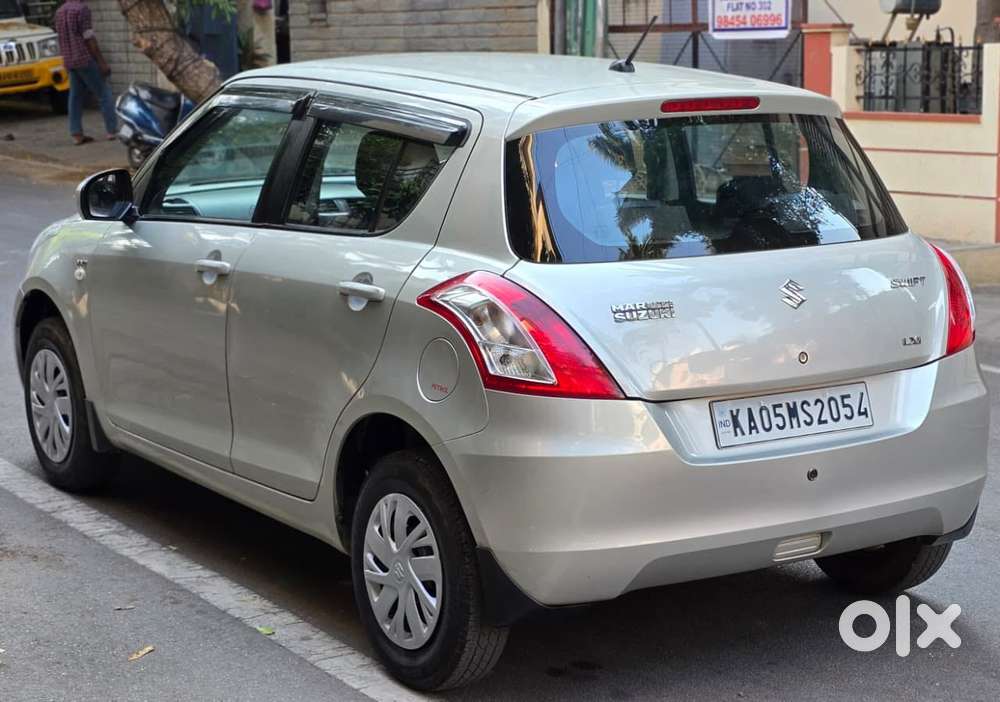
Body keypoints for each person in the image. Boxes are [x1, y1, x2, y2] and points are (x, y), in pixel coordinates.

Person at [53, 0, 117, 145]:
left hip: (70, 61)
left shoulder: (60, 12)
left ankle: (76, 133)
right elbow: (89, 38)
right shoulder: (82, 10)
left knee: (75, 97)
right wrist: (101, 62)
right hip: (84, 59)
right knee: (104, 93)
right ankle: (112, 130)